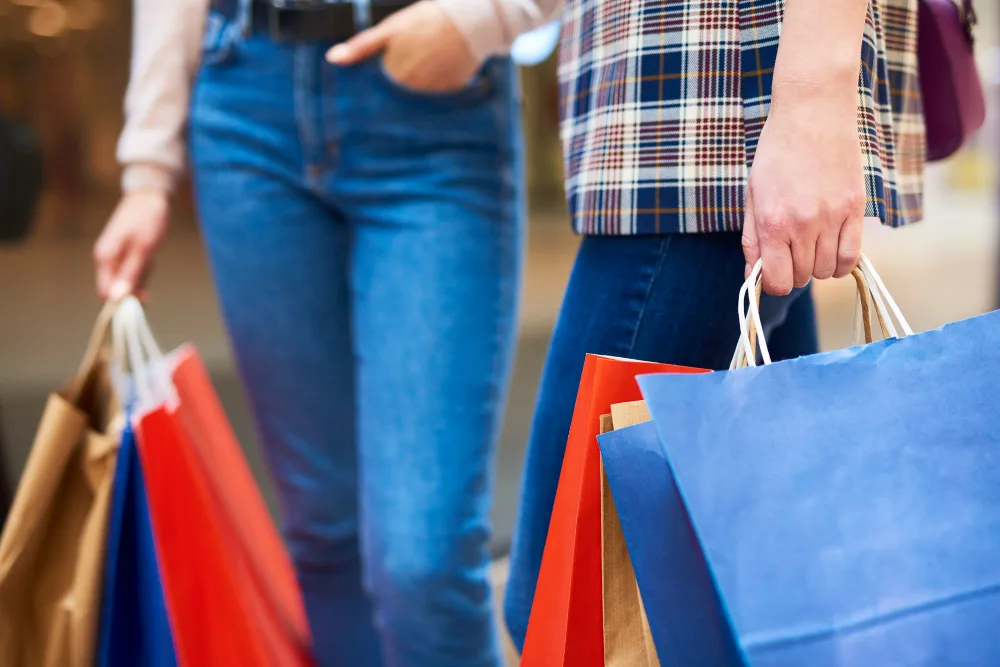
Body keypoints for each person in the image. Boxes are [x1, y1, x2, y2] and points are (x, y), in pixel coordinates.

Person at [92, 1, 558, 665]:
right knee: (324, 534)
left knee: (422, 557)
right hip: (246, 100)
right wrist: (147, 168)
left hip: (432, 103)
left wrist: (482, 18)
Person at [504, 0, 924, 650]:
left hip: (712, 118)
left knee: (566, 611)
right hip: (691, 121)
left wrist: (814, 95)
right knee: (754, 603)